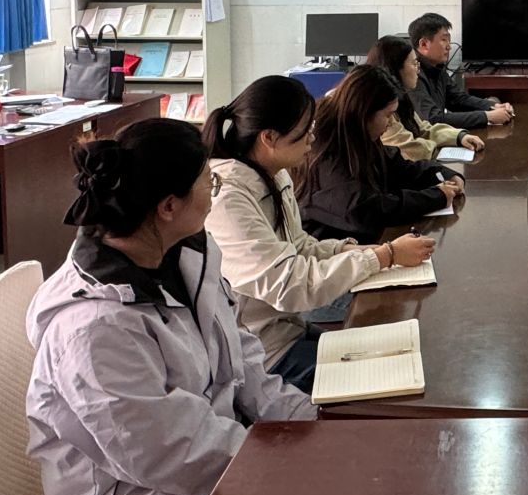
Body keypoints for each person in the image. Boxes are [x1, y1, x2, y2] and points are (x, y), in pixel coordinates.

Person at [26, 118, 317, 495]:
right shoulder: (94, 329)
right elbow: (170, 453)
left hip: (216, 463)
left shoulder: (186, 252)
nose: (215, 192)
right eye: (208, 182)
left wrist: (306, 423)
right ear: (168, 207)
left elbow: (241, 361)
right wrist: (281, 464)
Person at [203, 75, 434, 391]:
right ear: (269, 137)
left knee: (402, 349)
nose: (312, 139)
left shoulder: (272, 174)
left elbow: (299, 246)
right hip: (261, 354)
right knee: (392, 381)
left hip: (287, 328)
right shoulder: (228, 199)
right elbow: (287, 285)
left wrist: (359, 251)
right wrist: (382, 256)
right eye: (304, 132)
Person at [295, 65, 463, 244]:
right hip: (333, 247)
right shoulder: (326, 146)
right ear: (365, 112)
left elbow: (397, 167)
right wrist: (435, 197)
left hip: (362, 243)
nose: (390, 123)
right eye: (388, 115)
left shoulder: (358, 133)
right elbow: (365, 209)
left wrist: (441, 173)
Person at [368, 36, 486, 162]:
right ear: (395, 68)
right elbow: (407, 149)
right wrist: (437, 147)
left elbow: (423, 129)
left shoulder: (402, 98)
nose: (418, 70)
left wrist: (459, 137)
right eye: (414, 64)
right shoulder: (381, 107)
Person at [409, 12, 514, 130]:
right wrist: (487, 116)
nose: (449, 46)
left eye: (449, 40)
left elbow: (458, 99)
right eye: (444, 40)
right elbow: (432, 119)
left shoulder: (436, 68)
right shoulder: (412, 74)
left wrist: (493, 106)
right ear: (424, 44)